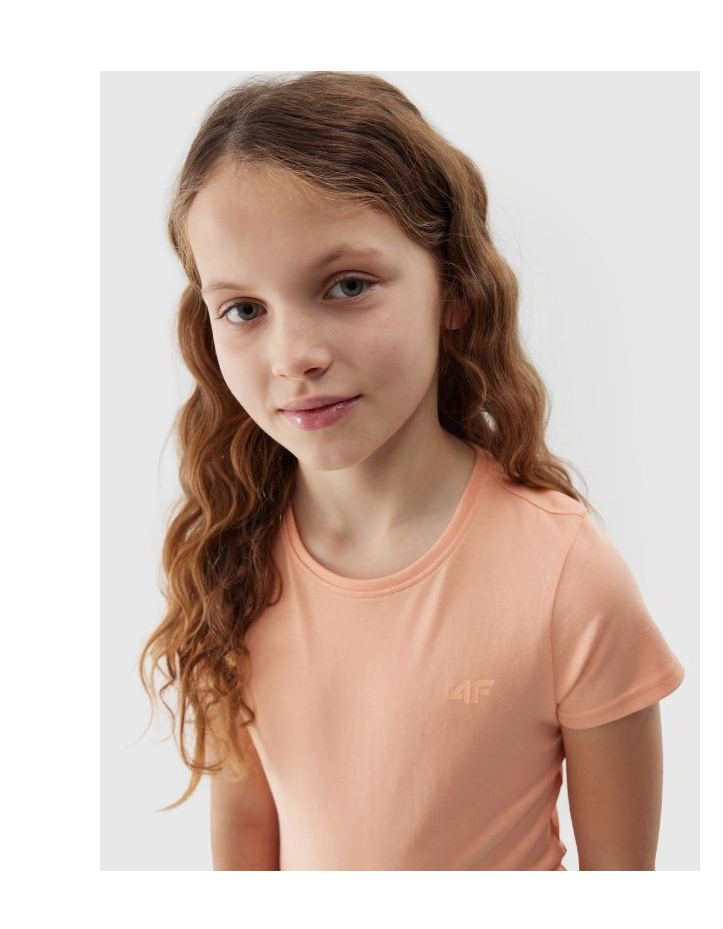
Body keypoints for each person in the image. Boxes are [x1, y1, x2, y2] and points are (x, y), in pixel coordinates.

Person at [138, 71, 686, 870]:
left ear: (453, 289)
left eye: (347, 286)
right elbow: (246, 842)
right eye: (245, 309)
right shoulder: (231, 560)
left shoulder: (567, 576)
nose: (294, 356)